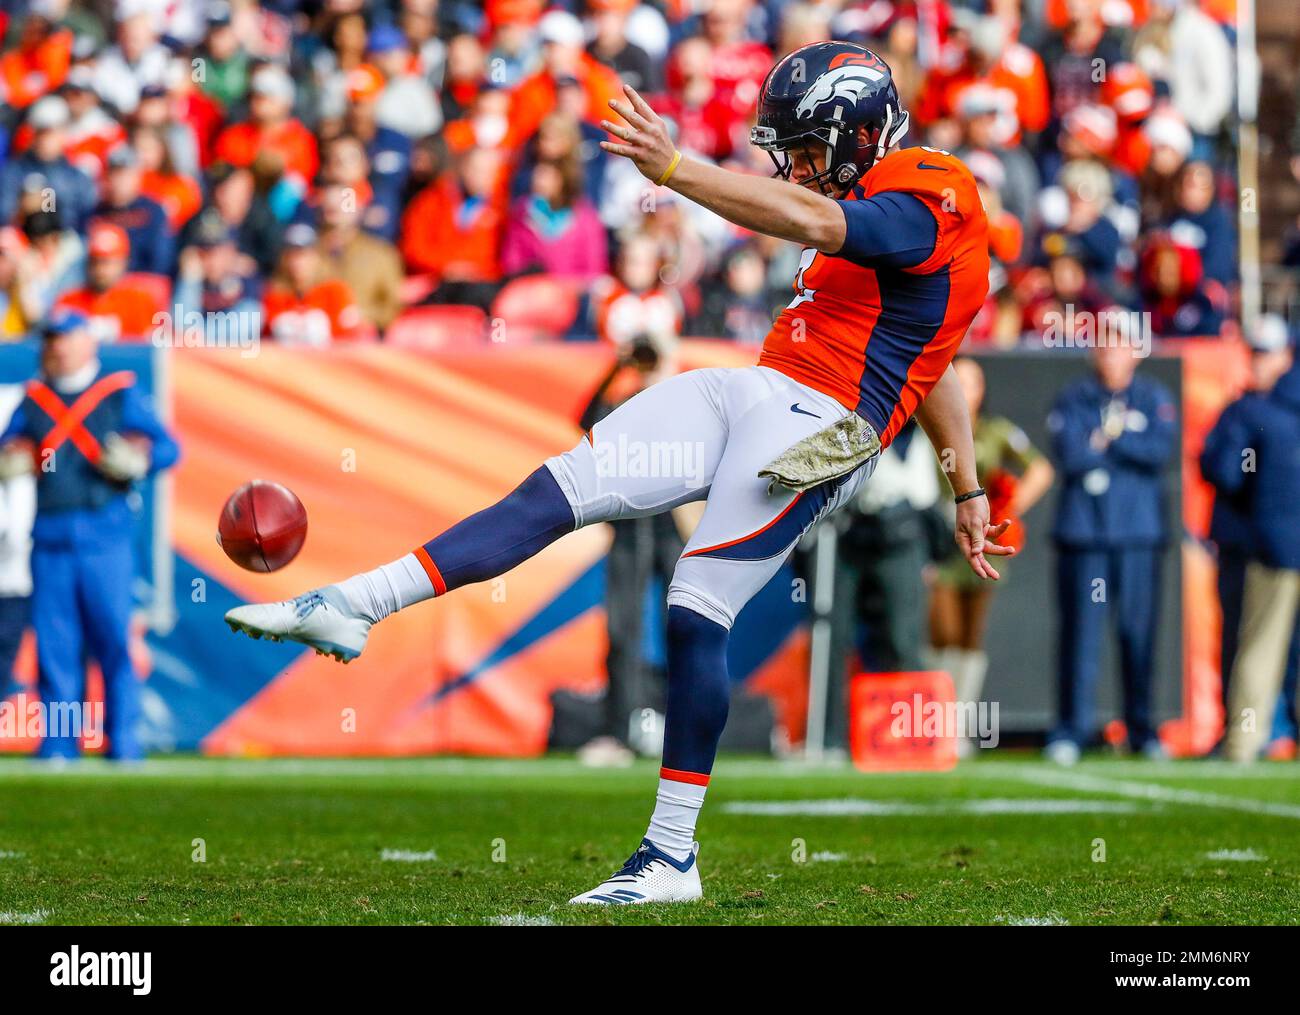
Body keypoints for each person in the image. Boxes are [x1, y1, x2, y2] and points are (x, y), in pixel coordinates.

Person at [225, 43, 1003, 904]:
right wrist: (965, 485)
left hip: (827, 426)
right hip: (755, 388)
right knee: (558, 489)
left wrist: (674, 166)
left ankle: (671, 854)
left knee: (696, 602)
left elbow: (828, 236)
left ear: (864, 130)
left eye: (811, 149)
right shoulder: (871, 196)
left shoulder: (937, 183)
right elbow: (941, 361)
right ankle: (353, 604)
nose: (798, 168)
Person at [0, 309, 179, 760]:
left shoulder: (118, 394)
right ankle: (60, 744)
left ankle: (125, 742)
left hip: (106, 534)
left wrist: (142, 461)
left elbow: (169, 447)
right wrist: (10, 460)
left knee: (113, 640)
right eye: (50, 339)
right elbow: (10, 446)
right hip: (51, 534)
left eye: (64, 338)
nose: (55, 347)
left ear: (87, 343)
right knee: (56, 646)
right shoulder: (36, 397)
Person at [1046, 342, 1177, 764]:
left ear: (1135, 354)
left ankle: (1142, 729)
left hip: (1137, 536)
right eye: (1104, 348)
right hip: (1085, 537)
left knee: (1138, 636)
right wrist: (1115, 443)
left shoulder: (1154, 397)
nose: (1111, 356)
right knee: (1080, 636)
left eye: (1120, 348)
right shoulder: (1073, 396)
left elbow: (1160, 450)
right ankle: (1071, 729)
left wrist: (1108, 442)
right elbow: (1070, 454)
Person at [929, 357, 1054, 744]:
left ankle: (957, 727)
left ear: (983, 390)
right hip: (938, 538)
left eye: (972, 382)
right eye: (957, 380)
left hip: (980, 538)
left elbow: (1041, 469)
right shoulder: (927, 424)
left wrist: (1007, 510)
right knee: (940, 631)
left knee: (970, 634)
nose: (965, 389)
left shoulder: (995, 432)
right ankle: (933, 722)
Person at [574, 333, 684, 767]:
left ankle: (683, 730)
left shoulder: (684, 403)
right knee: (623, 633)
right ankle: (619, 732)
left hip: (671, 528)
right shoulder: (627, 404)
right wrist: (619, 367)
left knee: (685, 629)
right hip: (629, 528)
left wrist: (666, 379)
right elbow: (587, 419)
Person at [1201, 323, 1300, 762]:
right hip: (1266, 544)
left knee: (1255, 648)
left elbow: (1225, 472)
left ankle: (1243, 740)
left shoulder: (1252, 412)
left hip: (1266, 547)